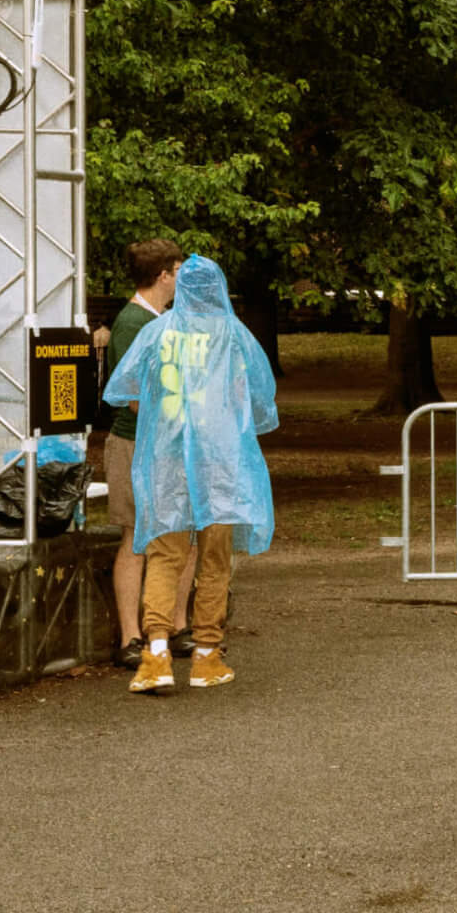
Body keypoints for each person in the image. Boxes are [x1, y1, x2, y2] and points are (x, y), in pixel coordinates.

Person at [103, 256, 279, 695]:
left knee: (165, 557)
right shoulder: (233, 335)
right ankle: (206, 655)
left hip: (167, 463)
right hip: (220, 465)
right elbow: (259, 396)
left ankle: (155, 654)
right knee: (214, 559)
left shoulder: (157, 331)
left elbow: (127, 393)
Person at [100, 239, 198, 667]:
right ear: (164, 275)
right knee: (137, 538)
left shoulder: (166, 319)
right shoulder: (132, 324)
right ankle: (131, 637)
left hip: (169, 443)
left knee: (185, 535)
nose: (181, 279)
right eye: (178, 270)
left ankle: (176, 626)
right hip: (135, 443)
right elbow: (134, 397)